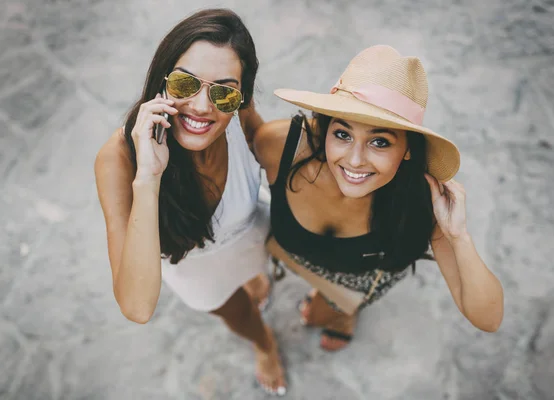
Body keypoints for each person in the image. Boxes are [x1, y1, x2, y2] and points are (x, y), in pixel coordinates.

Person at [254, 45, 504, 352]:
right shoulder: (280, 147)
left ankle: (344, 315)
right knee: (321, 308)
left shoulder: (422, 204)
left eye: (380, 141)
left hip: (359, 279)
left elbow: (488, 319)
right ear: (324, 128)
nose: (355, 160)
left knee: (329, 312)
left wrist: (458, 236)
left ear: (409, 149)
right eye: (343, 134)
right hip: (297, 258)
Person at [94, 9, 286, 395]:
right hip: (200, 271)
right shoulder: (118, 158)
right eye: (185, 84)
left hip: (251, 233)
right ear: (161, 79)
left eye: (224, 91)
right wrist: (148, 176)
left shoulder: (239, 114)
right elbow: (136, 306)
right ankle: (264, 343)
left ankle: (255, 279)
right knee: (240, 315)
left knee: (256, 277)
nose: (201, 106)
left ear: (240, 96)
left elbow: (271, 150)